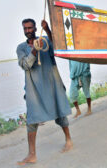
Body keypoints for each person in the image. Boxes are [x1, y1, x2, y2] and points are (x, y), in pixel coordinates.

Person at [16, 19, 73, 165]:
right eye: (25, 28)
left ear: (35, 28)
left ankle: (68, 140)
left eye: (30, 28)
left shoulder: (46, 40)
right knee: (31, 120)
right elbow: (25, 65)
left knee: (60, 113)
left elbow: (59, 46)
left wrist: (47, 29)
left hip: (52, 84)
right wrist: (35, 50)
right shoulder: (21, 48)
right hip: (34, 89)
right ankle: (32, 154)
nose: (28, 30)